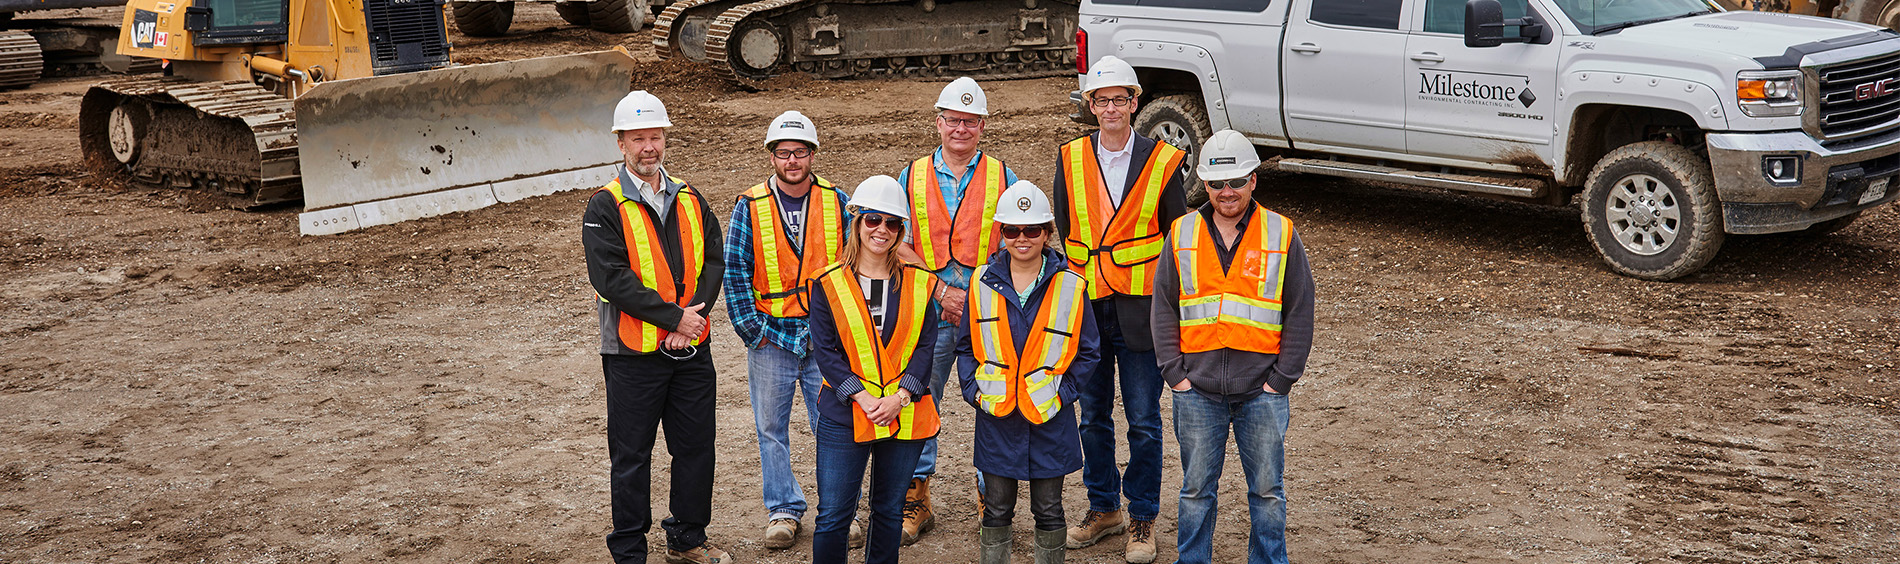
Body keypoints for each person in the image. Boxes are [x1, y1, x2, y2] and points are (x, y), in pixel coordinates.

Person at [1150, 130, 1315, 564]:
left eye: (1236, 181)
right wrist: (1175, 375)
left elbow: (1299, 310)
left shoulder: (1281, 233)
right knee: (1195, 493)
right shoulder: (1182, 233)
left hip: (1262, 392)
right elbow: (1164, 306)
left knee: (1266, 493)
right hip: (1197, 392)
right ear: (1204, 184)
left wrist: (1281, 381)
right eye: (1217, 184)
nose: (1227, 192)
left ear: (1253, 180)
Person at [1050, 55, 1189, 564]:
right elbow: (1066, 232)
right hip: (1087, 308)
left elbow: (1180, 239)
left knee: (1144, 420)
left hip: (1141, 310)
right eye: (1101, 100)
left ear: (1135, 103)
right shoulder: (1069, 158)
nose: (1111, 108)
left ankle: (1143, 516)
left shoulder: (1163, 161)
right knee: (1092, 418)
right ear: (1090, 105)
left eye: (1120, 100)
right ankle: (1103, 507)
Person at [582, 90, 730, 564]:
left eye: (656, 137)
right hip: (632, 355)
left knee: (695, 448)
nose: (649, 146)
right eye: (638, 138)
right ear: (621, 143)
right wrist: (673, 318)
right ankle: (629, 551)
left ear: (665, 138)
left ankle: (687, 538)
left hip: (690, 351)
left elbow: (714, 260)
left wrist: (694, 320)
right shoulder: (604, 206)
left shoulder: (689, 196)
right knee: (631, 458)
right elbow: (610, 278)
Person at [893, 76, 1022, 545]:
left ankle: (994, 497)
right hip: (929, 312)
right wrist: (940, 293)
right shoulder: (910, 175)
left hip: (986, 313)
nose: (961, 129)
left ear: (982, 126)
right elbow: (898, 245)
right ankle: (916, 497)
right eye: (953, 121)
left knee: (994, 401)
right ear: (938, 122)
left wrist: (971, 297)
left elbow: (1016, 245)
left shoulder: (1004, 177)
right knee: (920, 400)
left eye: (970, 122)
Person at [722, 110, 852, 550]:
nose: (792, 160)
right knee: (771, 428)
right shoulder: (750, 205)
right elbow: (735, 269)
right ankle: (783, 509)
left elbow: (855, 267)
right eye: (784, 153)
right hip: (771, 337)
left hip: (825, 339)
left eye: (800, 152)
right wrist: (751, 331)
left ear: (812, 154)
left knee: (832, 426)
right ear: (771, 156)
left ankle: (837, 511)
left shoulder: (838, 202)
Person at [958, 181, 1101, 564]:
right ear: (1001, 233)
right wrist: (974, 391)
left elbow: (1088, 352)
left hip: (1048, 416)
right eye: (1012, 230)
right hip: (997, 415)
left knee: (1049, 509)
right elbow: (966, 346)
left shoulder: (1071, 285)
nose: (1022, 238)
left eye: (1032, 230)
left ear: (1047, 233)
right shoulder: (980, 282)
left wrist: (1062, 394)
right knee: (997, 508)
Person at [807, 175, 943, 564]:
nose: (881, 230)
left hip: (904, 414)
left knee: (888, 512)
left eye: (892, 223)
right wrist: (865, 398)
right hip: (846, 414)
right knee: (833, 515)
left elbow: (924, 346)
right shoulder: (827, 283)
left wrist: (900, 397)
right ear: (857, 222)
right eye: (872, 220)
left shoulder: (919, 283)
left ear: (901, 230)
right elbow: (827, 351)